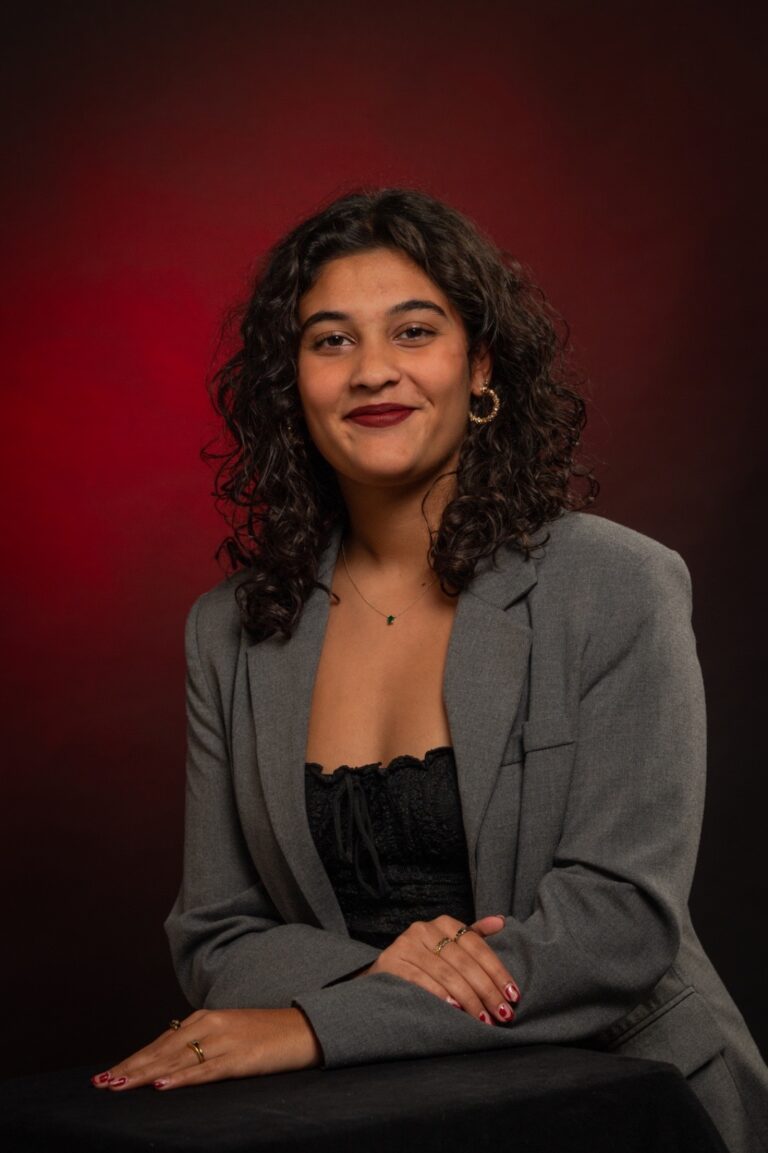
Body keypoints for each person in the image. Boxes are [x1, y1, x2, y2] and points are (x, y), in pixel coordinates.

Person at [91, 188, 767, 1151]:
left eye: (414, 330)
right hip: (383, 1116)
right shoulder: (226, 633)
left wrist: (318, 1023)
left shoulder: (619, 584)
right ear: (292, 382)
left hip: (633, 1104)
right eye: (331, 340)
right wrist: (383, 982)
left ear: (480, 364)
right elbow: (216, 933)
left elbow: (617, 929)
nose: (374, 370)